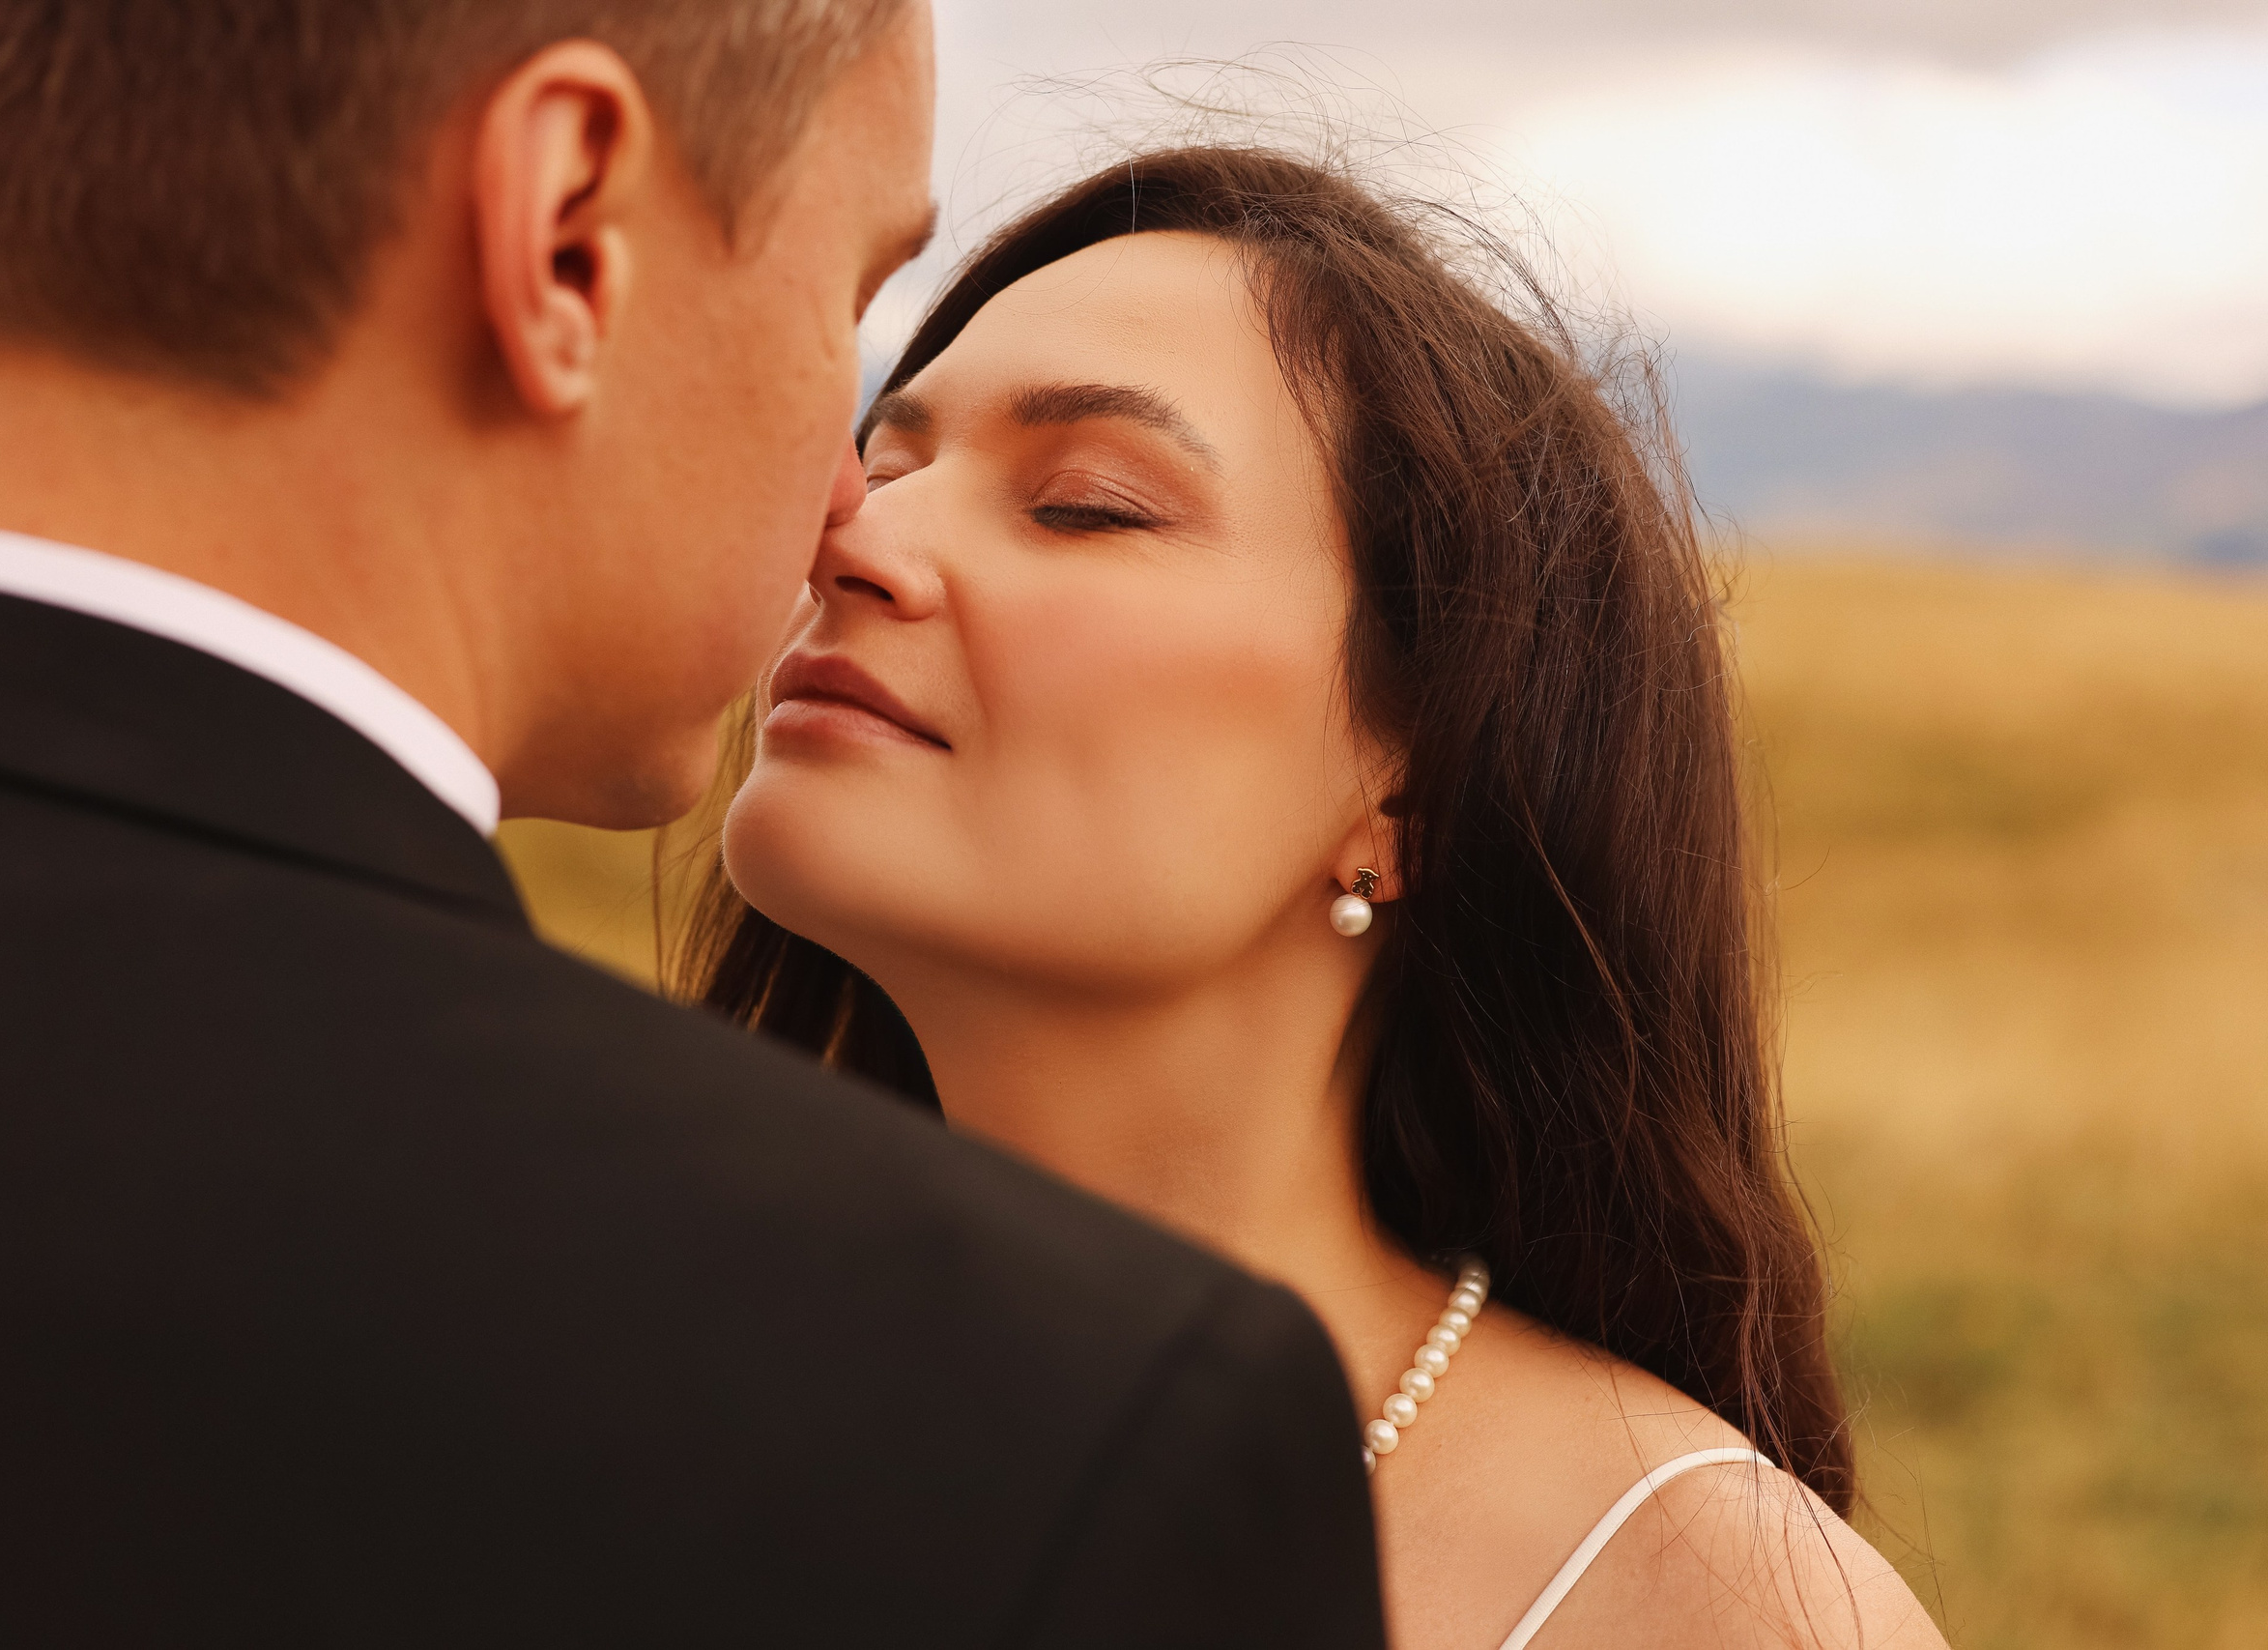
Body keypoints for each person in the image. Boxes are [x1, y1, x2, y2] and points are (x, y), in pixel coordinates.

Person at [0, 8, 1387, 1644]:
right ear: (563, 232)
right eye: (846, 301)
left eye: (1084, 507)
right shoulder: (1033, 1442)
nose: (852, 514)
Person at [698, 147, 1952, 1648]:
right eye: (885, 465)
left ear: (1410, 799)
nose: (854, 538)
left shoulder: (1698, 1600)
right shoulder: (602, 1386)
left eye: (1088, 504)